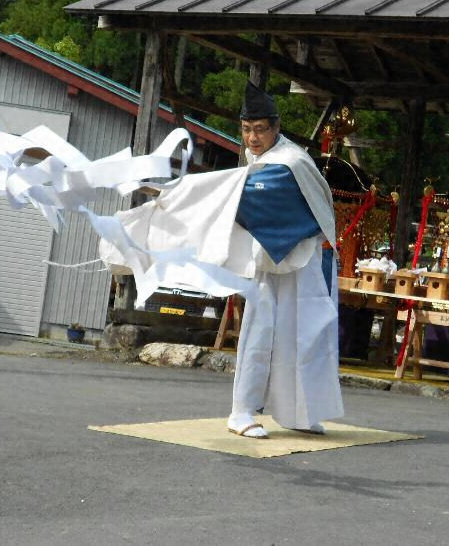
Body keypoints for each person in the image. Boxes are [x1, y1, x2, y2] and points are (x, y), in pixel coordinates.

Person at [101, 82, 343, 438]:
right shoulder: (265, 159)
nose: (252, 137)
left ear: (276, 128)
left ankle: (299, 414)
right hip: (272, 261)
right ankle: (242, 412)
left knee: (307, 336)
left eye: (260, 129)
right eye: (246, 129)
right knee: (260, 334)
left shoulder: (289, 163)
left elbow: (235, 195)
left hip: (303, 261)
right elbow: (230, 193)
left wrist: (175, 191)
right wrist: (171, 193)